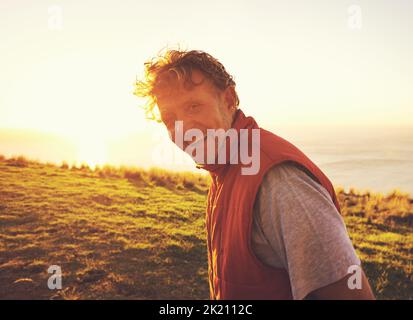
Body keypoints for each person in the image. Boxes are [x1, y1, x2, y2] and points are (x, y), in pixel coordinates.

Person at [134, 48, 375, 300]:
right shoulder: (224, 168)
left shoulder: (279, 181)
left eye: (193, 106)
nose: (183, 130)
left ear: (228, 100)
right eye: (170, 119)